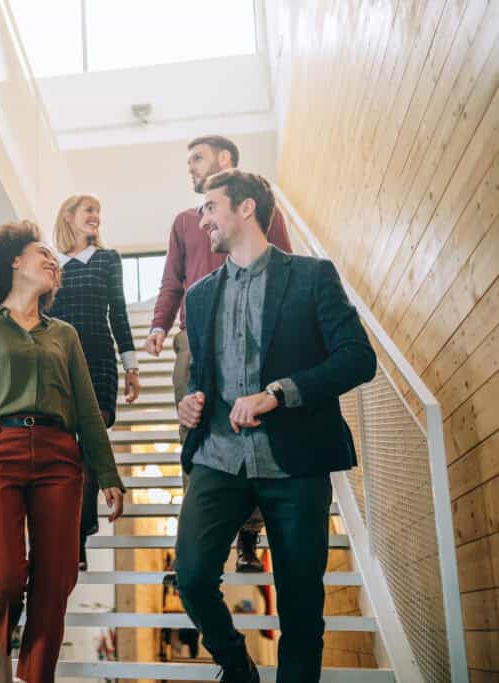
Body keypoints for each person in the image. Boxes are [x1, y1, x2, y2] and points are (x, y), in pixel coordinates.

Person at [174, 170, 376, 682]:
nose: (203, 220)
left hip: (297, 460)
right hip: (218, 456)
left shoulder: (312, 276)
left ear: (245, 209)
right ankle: (238, 668)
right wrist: (189, 404)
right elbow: (202, 379)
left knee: (302, 608)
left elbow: (358, 359)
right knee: (194, 577)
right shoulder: (197, 297)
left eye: (210, 208)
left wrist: (278, 394)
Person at [0, 221, 126, 683]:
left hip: (61, 459)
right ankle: (0, 645)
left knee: (56, 579)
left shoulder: (64, 334)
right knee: (3, 575)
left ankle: (36, 675)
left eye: (54, 260)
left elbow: (86, 408)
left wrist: (109, 473)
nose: (52, 262)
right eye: (42, 253)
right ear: (14, 261)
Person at [144, 135, 293, 573]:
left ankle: (248, 539)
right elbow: (172, 279)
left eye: (198, 158)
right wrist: (159, 323)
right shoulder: (183, 222)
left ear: (224, 160)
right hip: (195, 340)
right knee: (195, 436)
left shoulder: (261, 211)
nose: (190, 167)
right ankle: (193, 542)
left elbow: (285, 264)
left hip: (255, 337)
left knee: (251, 432)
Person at [48, 194, 140, 571]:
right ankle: (66, 532)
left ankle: (78, 537)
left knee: (88, 451)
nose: (96, 217)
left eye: (99, 212)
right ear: (68, 216)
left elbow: (118, 312)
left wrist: (131, 366)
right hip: (57, 364)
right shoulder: (50, 263)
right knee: (65, 452)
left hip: (99, 360)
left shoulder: (107, 259)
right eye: (89, 211)